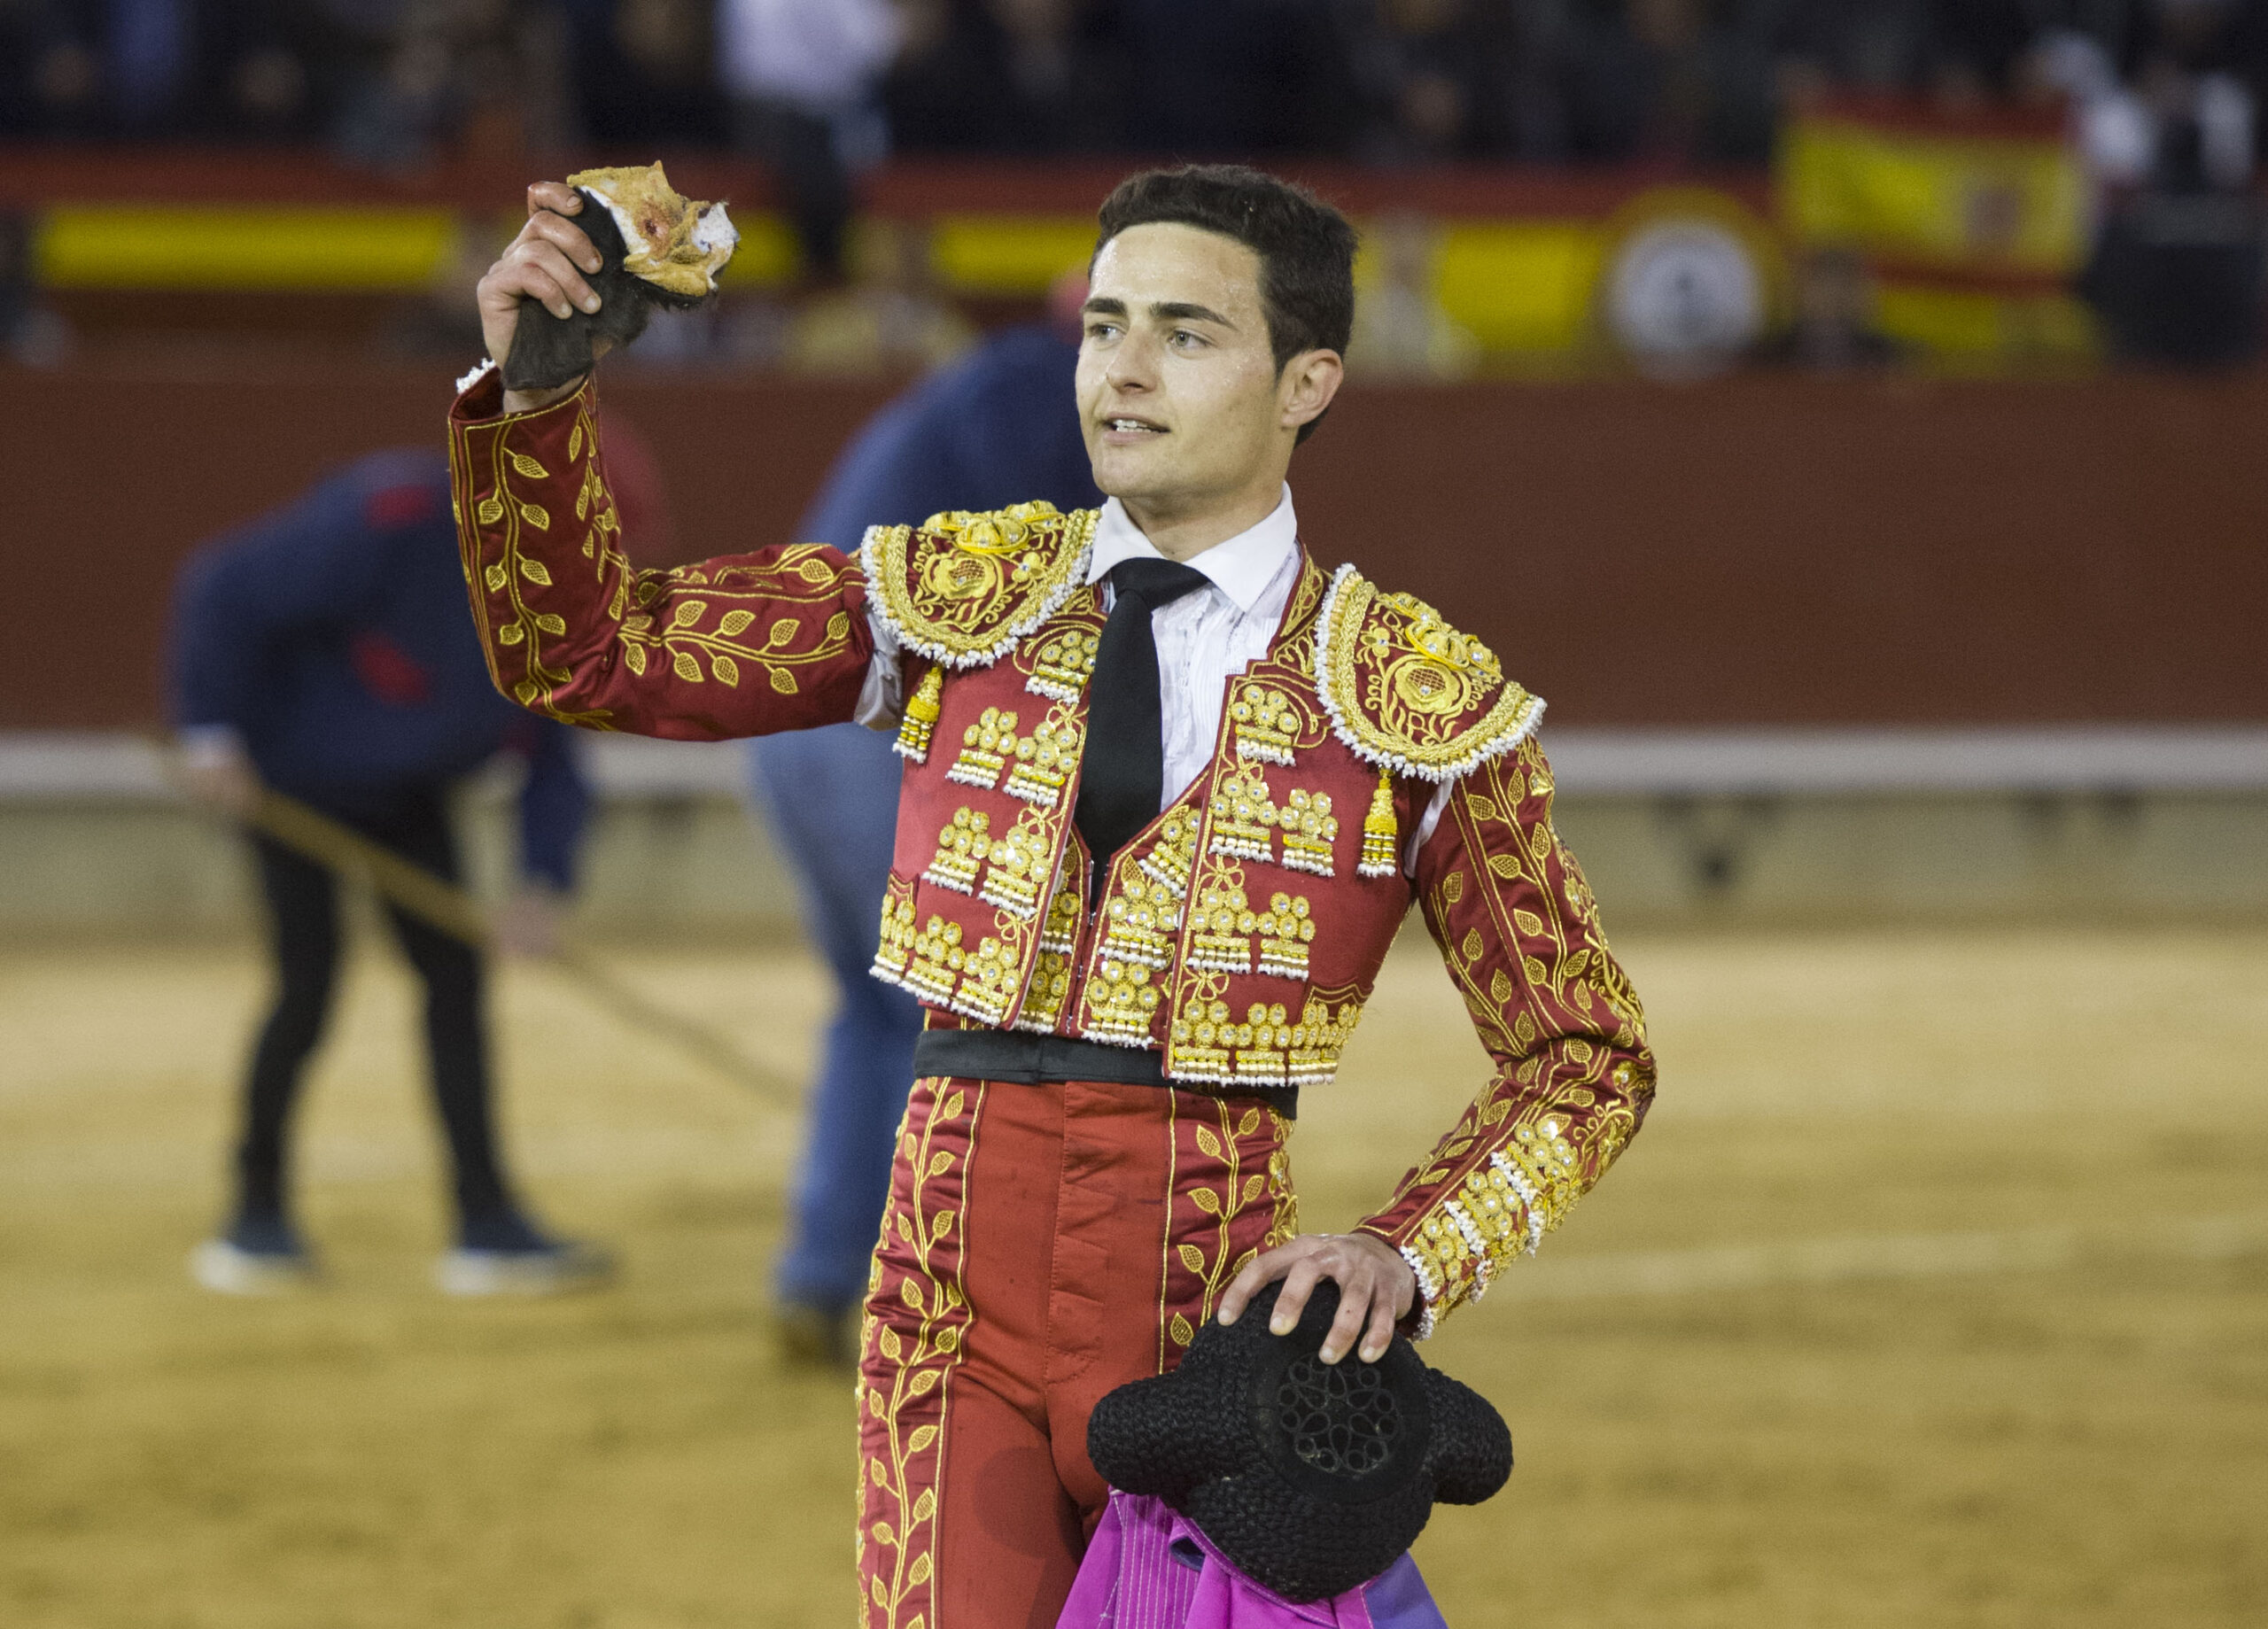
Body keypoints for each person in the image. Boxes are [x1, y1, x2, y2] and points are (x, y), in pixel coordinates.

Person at [453, 163, 1657, 1624]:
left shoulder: (1407, 695)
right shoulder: (961, 592)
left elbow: (1585, 1058)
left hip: (1212, 1325)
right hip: (947, 1297)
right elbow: (593, 656)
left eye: (1187, 334)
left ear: (1307, 381)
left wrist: (1404, 1250)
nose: (1124, 368)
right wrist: (536, 404)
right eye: (1104, 326)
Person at [750, 288, 1103, 1365]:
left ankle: (824, 1277)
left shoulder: (984, 389)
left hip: (797, 721)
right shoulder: (1043, 394)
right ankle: (962, 1315)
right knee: (972, 1011)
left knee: (876, 1014)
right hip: (875, 739)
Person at [170, 447, 612, 1298]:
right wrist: (211, 733)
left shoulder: (558, 606)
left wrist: (539, 885)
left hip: (410, 792)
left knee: (455, 978)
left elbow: (553, 760)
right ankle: (255, 1215)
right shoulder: (401, 515)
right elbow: (222, 586)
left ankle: (485, 1221)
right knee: (308, 983)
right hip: (291, 781)